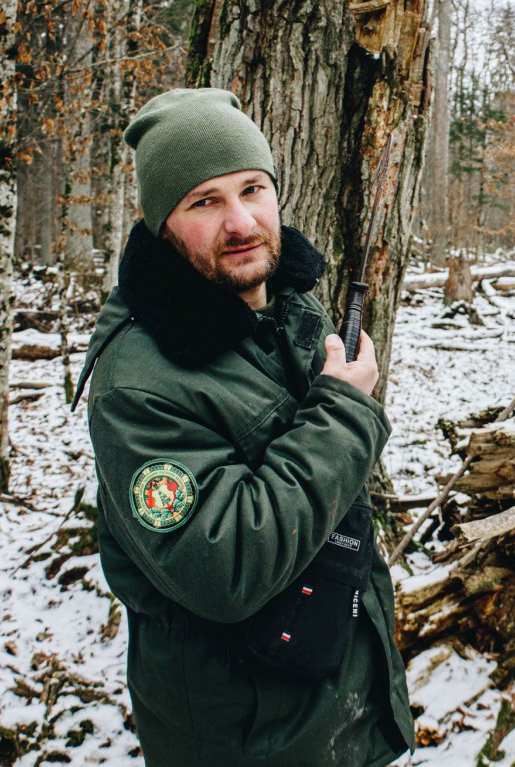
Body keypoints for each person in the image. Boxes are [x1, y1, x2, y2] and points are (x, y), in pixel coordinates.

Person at [71, 87, 416, 766]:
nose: (241, 221)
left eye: (252, 189)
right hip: (245, 738)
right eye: (205, 201)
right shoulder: (139, 381)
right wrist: (345, 411)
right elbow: (224, 565)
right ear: (162, 224)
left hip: (337, 709)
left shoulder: (289, 310)